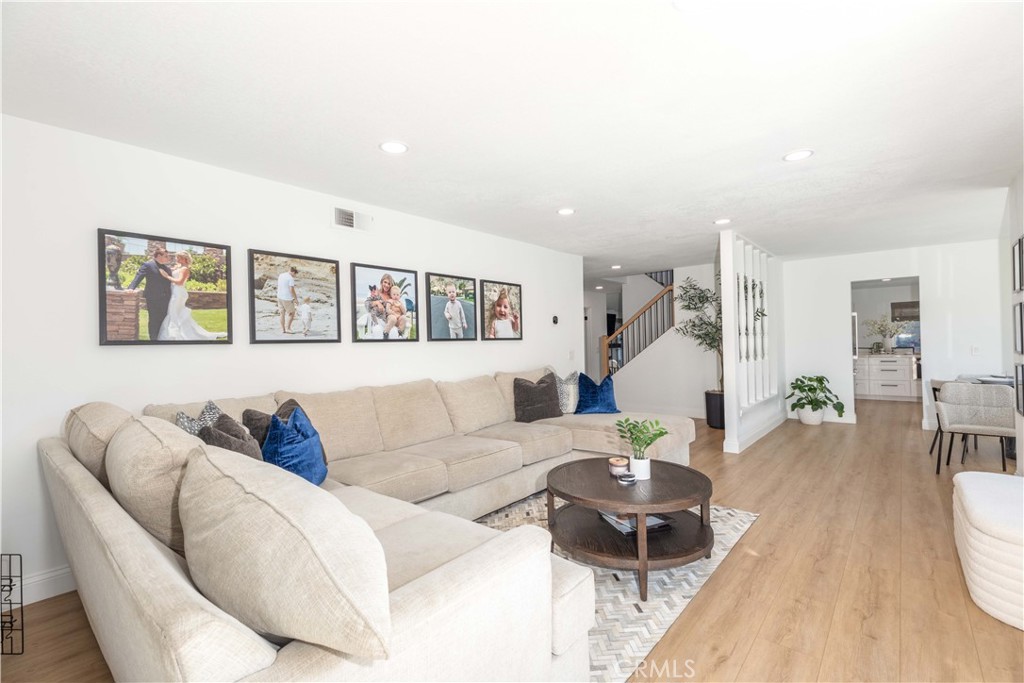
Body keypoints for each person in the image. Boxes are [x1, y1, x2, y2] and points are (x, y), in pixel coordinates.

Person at [156, 252, 227, 341]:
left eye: (179, 258)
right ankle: (179, 332)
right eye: (177, 257)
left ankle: (175, 334)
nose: (177, 259)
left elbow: (180, 282)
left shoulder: (185, 269)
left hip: (178, 293)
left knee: (173, 312)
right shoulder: (179, 267)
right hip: (174, 291)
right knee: (175, 312)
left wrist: (167, 277)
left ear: (184, 258)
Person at [127, 246, 173, 341]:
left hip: (166, 298)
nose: (168, 258)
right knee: (153, 319)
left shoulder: (167, 268)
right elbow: (139, 276)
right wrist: (131, 288)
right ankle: (153, 339)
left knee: (163, 319)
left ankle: (161, 338)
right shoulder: (148, 265)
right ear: (159, 255)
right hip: (153, 297)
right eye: (166, 256)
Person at [277, 266, 298, 334]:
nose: (295, 276)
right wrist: (295, 299)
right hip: (287, 298)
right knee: (292, 313)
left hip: (279, 297)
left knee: (282, 314)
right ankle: (288, 328)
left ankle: (283, 329)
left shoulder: (281, 275)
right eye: (295, 274)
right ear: (293, 272)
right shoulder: (290, 278)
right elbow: (291, 290)